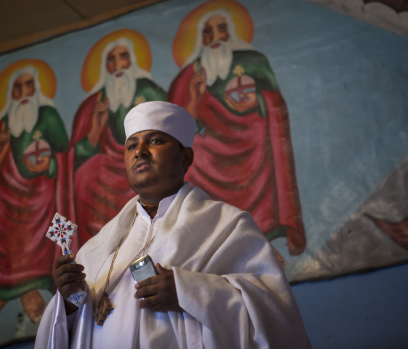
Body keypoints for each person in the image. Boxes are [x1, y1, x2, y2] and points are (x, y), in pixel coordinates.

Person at [35, 101, 312, 348]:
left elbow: (273, 314)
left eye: (154, 141)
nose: (140, 152)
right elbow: (75, 326)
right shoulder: (96, 249)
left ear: (186, 157)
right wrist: (70, 299)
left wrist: (186, 292)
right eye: (132, 145)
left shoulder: (226, 226)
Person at [169, 8, 307, 258]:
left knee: (259, 136)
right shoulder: (190, 75)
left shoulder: (254, 62)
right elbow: (177, 130)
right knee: (193, 156)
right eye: (207, 32)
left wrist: (256, 103)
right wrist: (195, 99)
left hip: (252, 144)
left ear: (230, 32)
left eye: (221, 29)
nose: (215, 37)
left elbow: (275, 106)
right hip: (211, 149)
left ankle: (261, 242)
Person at [0, 65, 69, 335]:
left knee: (50, 207)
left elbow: (64, 161)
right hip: (8, 198)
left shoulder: (48, 115)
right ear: (10, 94)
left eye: (29, 86)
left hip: (43, 194)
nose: (24, 93)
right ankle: (4, 291)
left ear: (37, 90)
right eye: (18, 87)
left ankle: (29, 287)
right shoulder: (1, 127)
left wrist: (48, 168)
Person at [68, 36, 167, 248]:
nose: (118, 65)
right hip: (113, 166)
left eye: (123, 57)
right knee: (86, 173)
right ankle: (104, 246)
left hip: (146, 165)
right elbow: (78, 155)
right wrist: (95, 129)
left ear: (132, 61)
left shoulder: (149, 91)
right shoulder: (94, 104)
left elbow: (168, 137)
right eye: (111, 60)